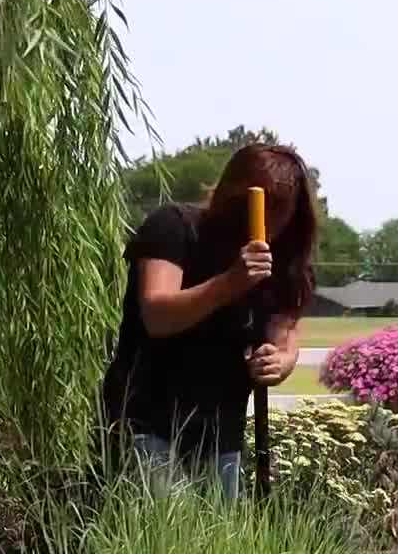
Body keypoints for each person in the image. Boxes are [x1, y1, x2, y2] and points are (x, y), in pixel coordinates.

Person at [100, 143, 318, 498]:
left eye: (281, 210)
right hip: (146, 426)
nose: (265, 219)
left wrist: (281, 361)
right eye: (260, 204)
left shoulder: (286, 261)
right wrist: (231, 283)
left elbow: (286, 333)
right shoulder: (174, 228)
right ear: (229, 192)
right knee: (156, 544)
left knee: (218, 547)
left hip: (222, 437)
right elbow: (156, 314)